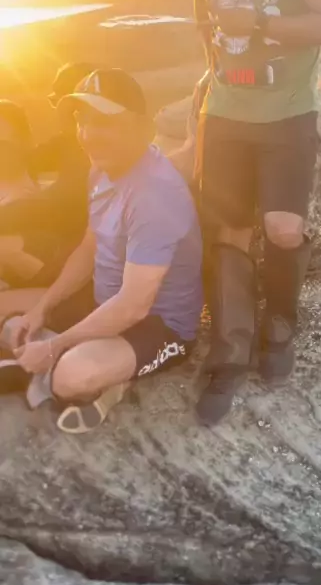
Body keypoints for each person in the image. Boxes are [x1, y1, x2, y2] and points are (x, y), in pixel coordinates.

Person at [168, 0, 321, 425]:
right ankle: (230, 351)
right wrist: (206, 87)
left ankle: (281, 326)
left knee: (283, 228)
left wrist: (261, 20)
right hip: (225, 110)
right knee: (229, 231)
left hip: (287, 108)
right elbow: (205, 21)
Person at [0, 68, 203, 433]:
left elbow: (134, 305)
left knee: (72, 377)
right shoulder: (101, 169)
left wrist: (55, 346)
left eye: (105, 122)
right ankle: (58, 359)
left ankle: (75, 369)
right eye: (83, 121)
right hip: (102, 300)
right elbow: (88, 248)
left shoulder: (155, 197)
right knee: (14, 315)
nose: (89, 134)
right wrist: (42, 308)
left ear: (140, 126)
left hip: (157, 325)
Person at [0, 100, 68, 288]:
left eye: (3, 143)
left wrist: (12, 255)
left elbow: (49, 281)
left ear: (25, 142)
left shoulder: (36, 205)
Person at [27, 61, 96, 244]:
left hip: (83, 245)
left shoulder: (98, 150)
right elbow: (23, 161)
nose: (55, 111)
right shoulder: (65, 142)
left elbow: (67, 198)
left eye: (57, 102)